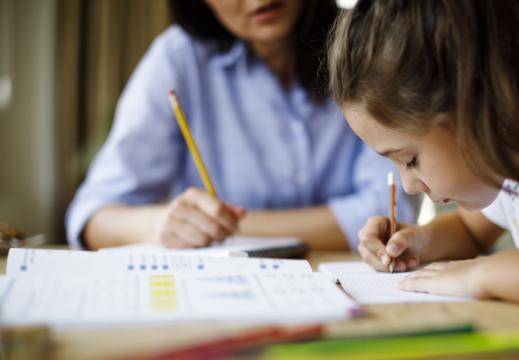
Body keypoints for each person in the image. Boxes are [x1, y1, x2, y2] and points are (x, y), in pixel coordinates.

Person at [328, 0, 519, 320]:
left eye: (410, 160)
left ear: (483, 105)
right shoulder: (514, 164)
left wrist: (488, 273)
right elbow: (469, 230)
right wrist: (418, 241)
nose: (408, 186)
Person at [65, 0, 417, 251]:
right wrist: (160, 225)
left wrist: (228, 228)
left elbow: (390, 213)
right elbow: (91, 217)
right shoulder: (178, 60)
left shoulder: (365, 45)